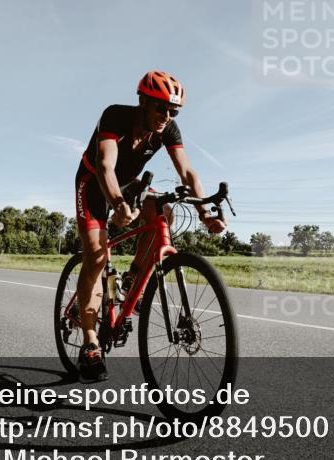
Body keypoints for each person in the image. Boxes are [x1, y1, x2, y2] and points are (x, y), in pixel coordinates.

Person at [74, 71, 226, 382]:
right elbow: (105, 166)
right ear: (142, 101)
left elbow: (188, 173)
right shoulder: (115, 116)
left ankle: (131, 279)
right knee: (97, 256)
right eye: (160, 108)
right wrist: (117, 205)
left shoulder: (168, 129)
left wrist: (206, 213)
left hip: (127, 184)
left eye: (173, 111)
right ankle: (90, 342)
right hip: (94, 183)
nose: (166, 117)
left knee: (163, 212)